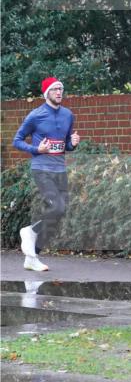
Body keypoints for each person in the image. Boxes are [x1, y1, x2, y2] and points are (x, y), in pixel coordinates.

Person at [12, 77, 82, 272]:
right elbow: (16, 141)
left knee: (59, 214)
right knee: (57, 207)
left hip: (60, 169)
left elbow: (65, 145)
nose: (59, 92)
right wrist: (37, 149)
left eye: (61, 89)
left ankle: (32, 256)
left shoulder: (68, 115)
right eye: (55, 89)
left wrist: (73, 144)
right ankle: (30, 231)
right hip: (41, 168)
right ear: (47, 93)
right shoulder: (36, 115)